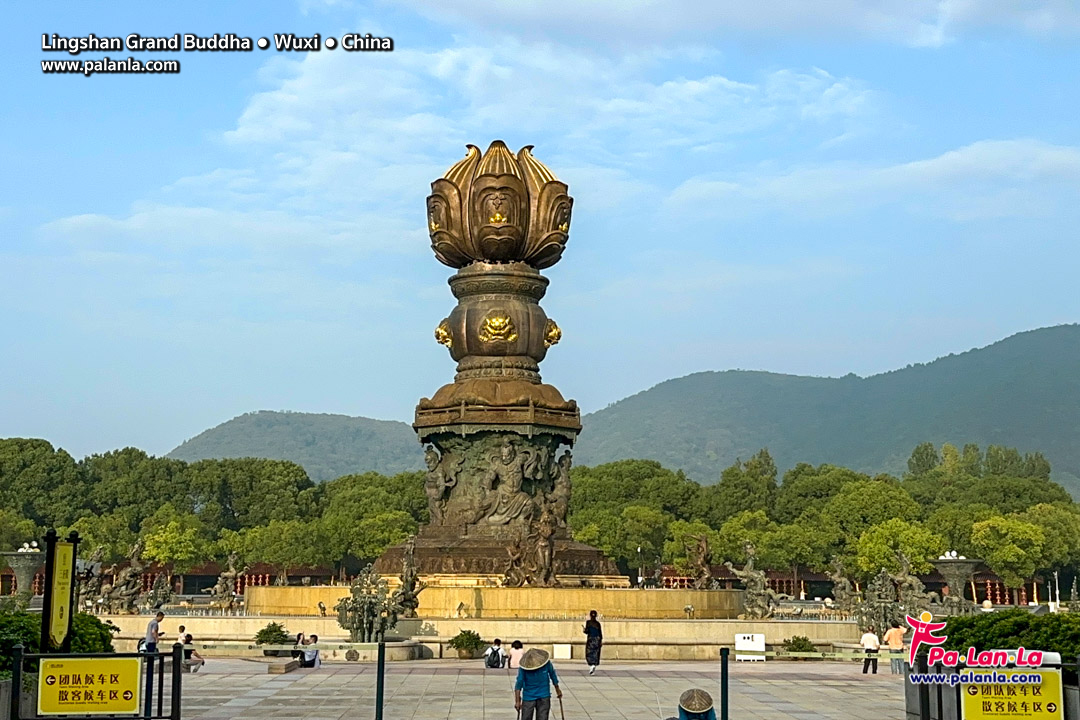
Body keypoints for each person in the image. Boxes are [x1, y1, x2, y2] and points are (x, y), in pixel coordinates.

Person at [515, 648, 562, 720]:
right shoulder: (524, 668)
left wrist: (557, 689)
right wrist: (517, 701)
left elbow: (553, 675)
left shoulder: (546, 664)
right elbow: (519, 684)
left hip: (543, 695)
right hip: (529, 696)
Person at [584, 610, 603, 675]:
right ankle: (594, 665)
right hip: (597, 639)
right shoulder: (598, 624)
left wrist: (584, 630)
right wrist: (600, 641)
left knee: (589, 652)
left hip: (591, 639)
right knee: (596, 653)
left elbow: (587, 631)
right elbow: (600, 633)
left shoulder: (588, 622)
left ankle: (591, 665)